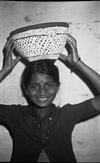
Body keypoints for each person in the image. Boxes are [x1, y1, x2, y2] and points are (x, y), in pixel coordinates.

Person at [0, 34, 100, 163]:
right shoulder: (14, 115)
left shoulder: (67, 114)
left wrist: (78, 63)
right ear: (26, 89)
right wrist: (5, 70)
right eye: (34, 86)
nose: (42, 92)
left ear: (57, 87)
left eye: (49, 85)